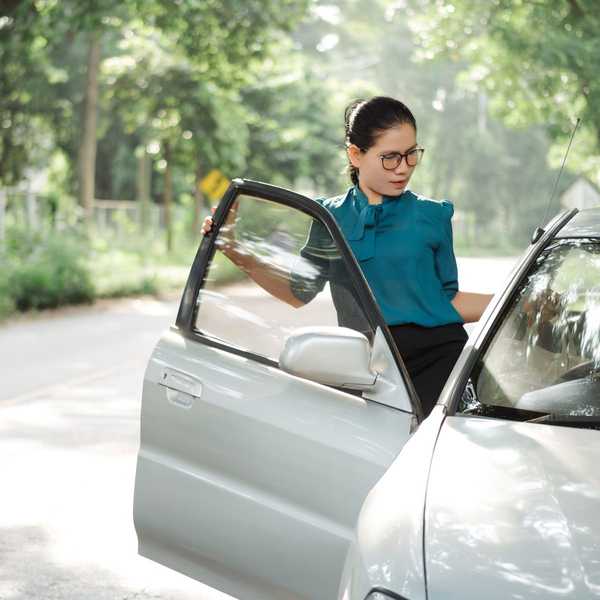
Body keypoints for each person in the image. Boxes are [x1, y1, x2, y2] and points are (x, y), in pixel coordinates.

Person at [202, 96, 493, 416]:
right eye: (390, 158)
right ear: (355, 155)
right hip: (373, 371)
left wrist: (516, 303)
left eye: (412, 155)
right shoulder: (330, 218)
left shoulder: (433, 216)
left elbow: (446, 302)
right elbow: (298, 292)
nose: (404, 168)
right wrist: (235, 250)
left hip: (445, 363)